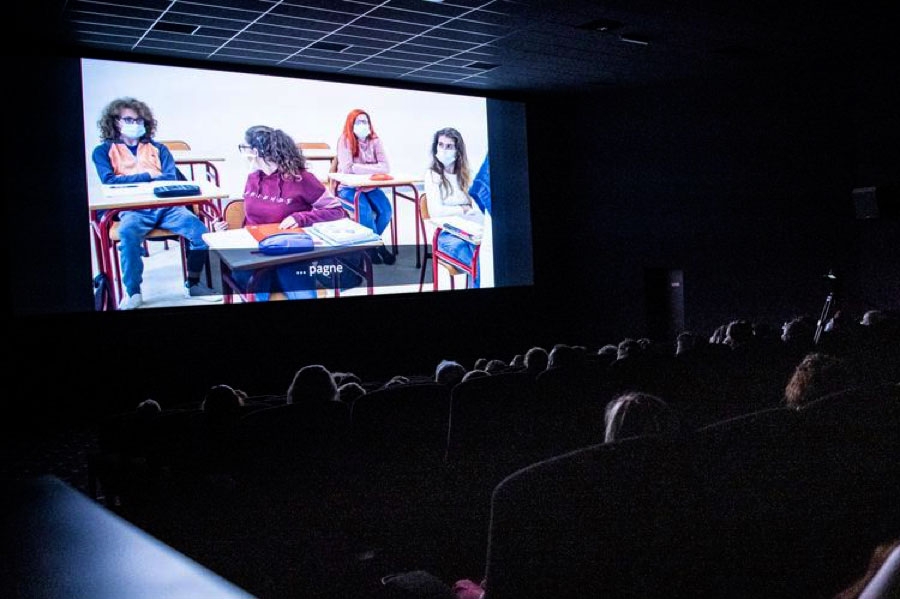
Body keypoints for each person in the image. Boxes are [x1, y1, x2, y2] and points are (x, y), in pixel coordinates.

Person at [91, 97, 219, 310]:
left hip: (167, 206)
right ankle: (133, 292)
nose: (135, 124)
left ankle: (195, 284)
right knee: (128, 235)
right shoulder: (103, 151)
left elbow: (169, 177)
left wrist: (131, 179)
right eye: (129, 120)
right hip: (131, 209)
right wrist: (149, 176)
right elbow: (109, 181)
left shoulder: (159, 149)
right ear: (114, 122)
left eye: (139, 120)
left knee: (201, 234)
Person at [227, 125, 347, 300]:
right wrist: (226, 229)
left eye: (244, 148)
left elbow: (337, 211)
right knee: (254, 289)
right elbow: (250, 216)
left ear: (257, 151)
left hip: (289, 252)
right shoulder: (252, 178)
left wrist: (301, 217)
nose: (243, 153)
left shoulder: (302, 178)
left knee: (302, 293)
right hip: (255, 252)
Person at [423, 127, 486, 288]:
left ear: (458, 151)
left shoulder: (466, 174)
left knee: (487, 257)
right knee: (479, 265)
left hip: (471, 231)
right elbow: (436, 213)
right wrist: (463, 208)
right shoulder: (432, 175)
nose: (443, 150)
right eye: (440, 145)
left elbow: (478, 209)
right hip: (446, 235)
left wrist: (463, 209)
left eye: (449, 146)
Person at [334, 108, 396, 264]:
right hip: (348, 188)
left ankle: (369, 246)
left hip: (370, 186)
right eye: (358, 122)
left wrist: (359, 168)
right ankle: (379, 246)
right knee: (365, 211)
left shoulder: (375, 140)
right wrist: (373, 168)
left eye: (365, 121)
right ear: (351, 124)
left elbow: (385, 167)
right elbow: (347, 168)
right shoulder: (344, 140)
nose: (363, 125)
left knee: (386, 211)